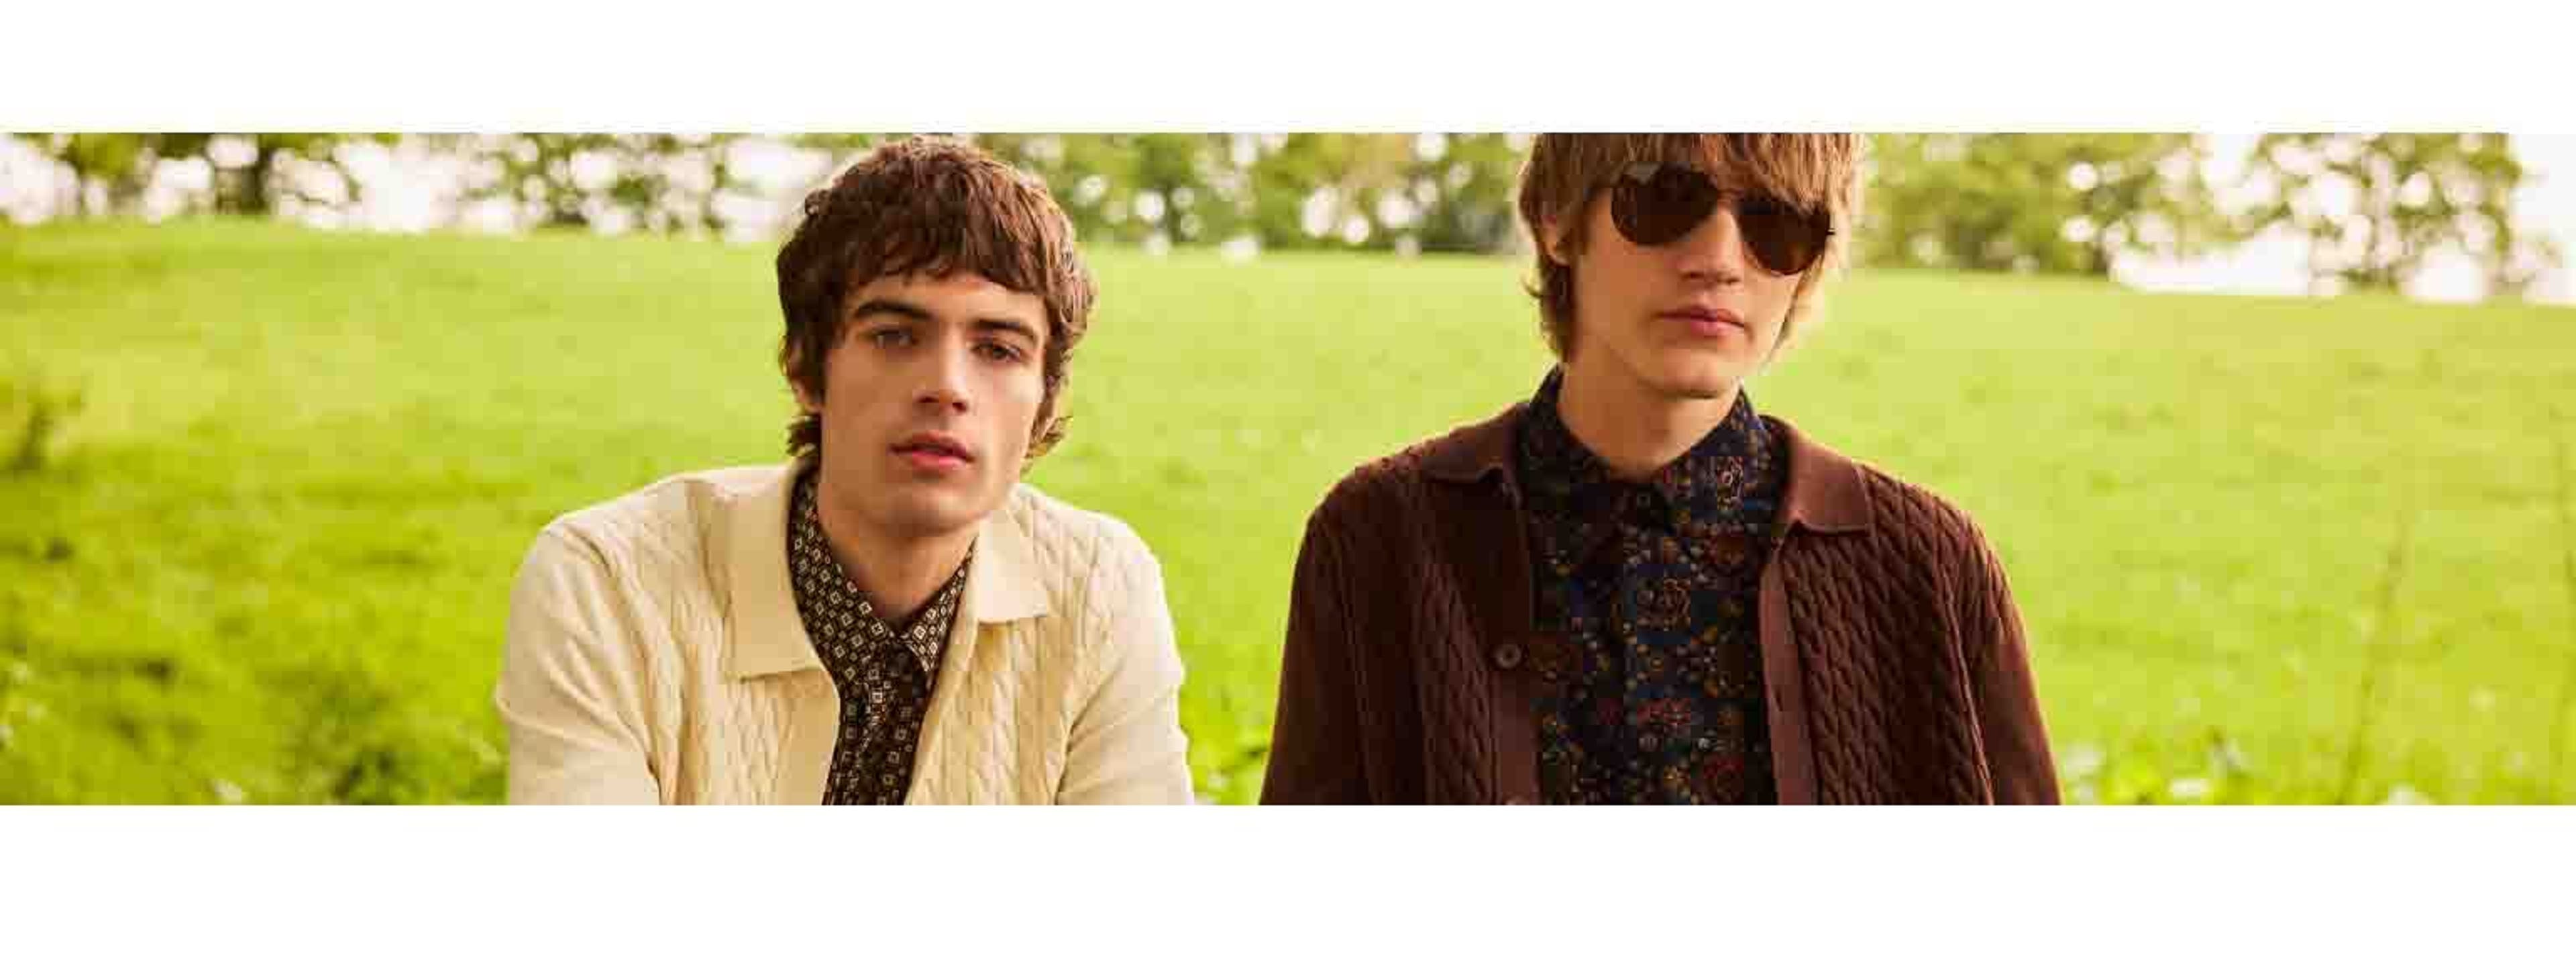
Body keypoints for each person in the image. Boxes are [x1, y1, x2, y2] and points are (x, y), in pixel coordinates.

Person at [1262, 134, 2056, 804]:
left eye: (1777, 223)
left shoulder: (1930, 565)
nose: (1719, 260)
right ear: (1556, 219)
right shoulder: (1378, 539)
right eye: (1665, 199)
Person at [496, 136, 1191, 804]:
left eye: (999, 349)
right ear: (805, 366)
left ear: (1045, 401)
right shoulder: (607, 582)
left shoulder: (1100, 589)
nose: (947, 387)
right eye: (895, 336)